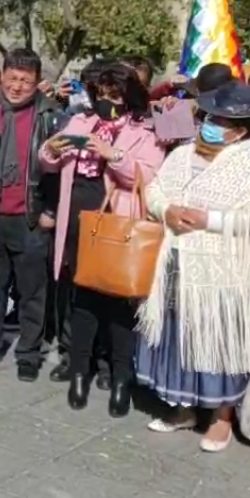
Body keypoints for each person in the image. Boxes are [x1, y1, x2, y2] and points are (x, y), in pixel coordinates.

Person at [136, 81, 250, 452]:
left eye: (221, 120)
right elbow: (155, 189)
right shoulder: (183, 153)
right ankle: (184, 408)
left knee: (220, 342)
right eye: (209, 116)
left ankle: (222, 418)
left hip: (224, 274)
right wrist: (166, 209)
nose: (211, 124)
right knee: (179, 338)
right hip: (175, 263)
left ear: (240, 130)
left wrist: (211, 220)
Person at [40, 62, 164, 416]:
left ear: (129, 96)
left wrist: (113, 154)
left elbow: (148, 176)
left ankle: (120, 377)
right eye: (101, 94)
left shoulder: (145, 131)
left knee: (119, 306)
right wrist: (52, 149)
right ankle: (79, 371)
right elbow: (47, 162)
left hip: (119, 226)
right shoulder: (80, 120)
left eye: (115, 95)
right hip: (79, 222)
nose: (108, 101)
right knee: (83, 300)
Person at [0, 49, 67, 382]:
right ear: (2, 75)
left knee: (33, 291)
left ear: (38, 84)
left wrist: (50, 210)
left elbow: (61, 172)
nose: (18, 86)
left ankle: (29, 353)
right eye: (13, 78)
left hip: (31, 215)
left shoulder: (51, 117)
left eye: (26, 81)